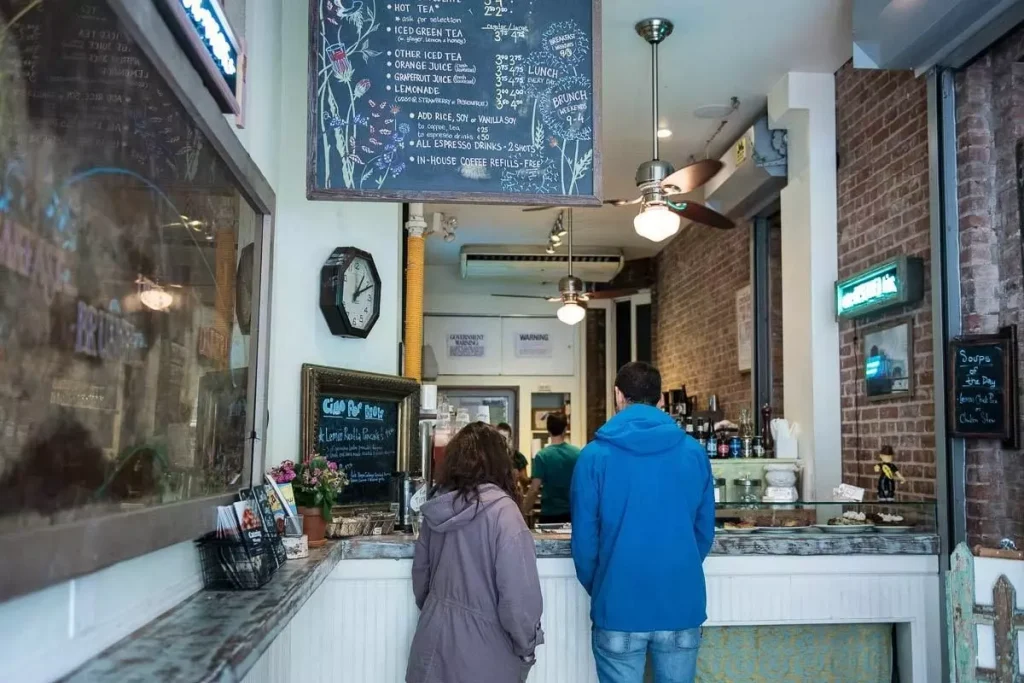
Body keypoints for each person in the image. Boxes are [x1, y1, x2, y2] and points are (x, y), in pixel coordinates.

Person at [570, 362, 715, 683]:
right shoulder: (694, 453)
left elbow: (583, 541)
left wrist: (606, 585)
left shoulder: (593, 457)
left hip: (618, 605)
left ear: (617, 395)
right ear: (661, 399)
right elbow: (704, 532)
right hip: (681, 602)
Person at [406, 422, 544, 683]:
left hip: (431, 646)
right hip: (485, 654)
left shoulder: (436, 510)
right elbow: (519, 601)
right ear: (500, 463)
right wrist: (527, 649)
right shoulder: (505, 514)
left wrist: (443, 612)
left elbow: (420, 580)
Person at [522, 412, 579, 524]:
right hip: (573, 514)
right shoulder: (577, 454)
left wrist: (522, 512)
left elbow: (534, 489)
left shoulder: (542, 456)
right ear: (565, 429)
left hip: (550, 515)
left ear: (548, 430)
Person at [495, 422, 530, 493]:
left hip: (512, 495)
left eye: (504, 438)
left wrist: (520, 476)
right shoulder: (491, 456)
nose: (501, 441)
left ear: (510, 439)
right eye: (498, 438)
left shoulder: (518, 456)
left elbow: (525, 483)